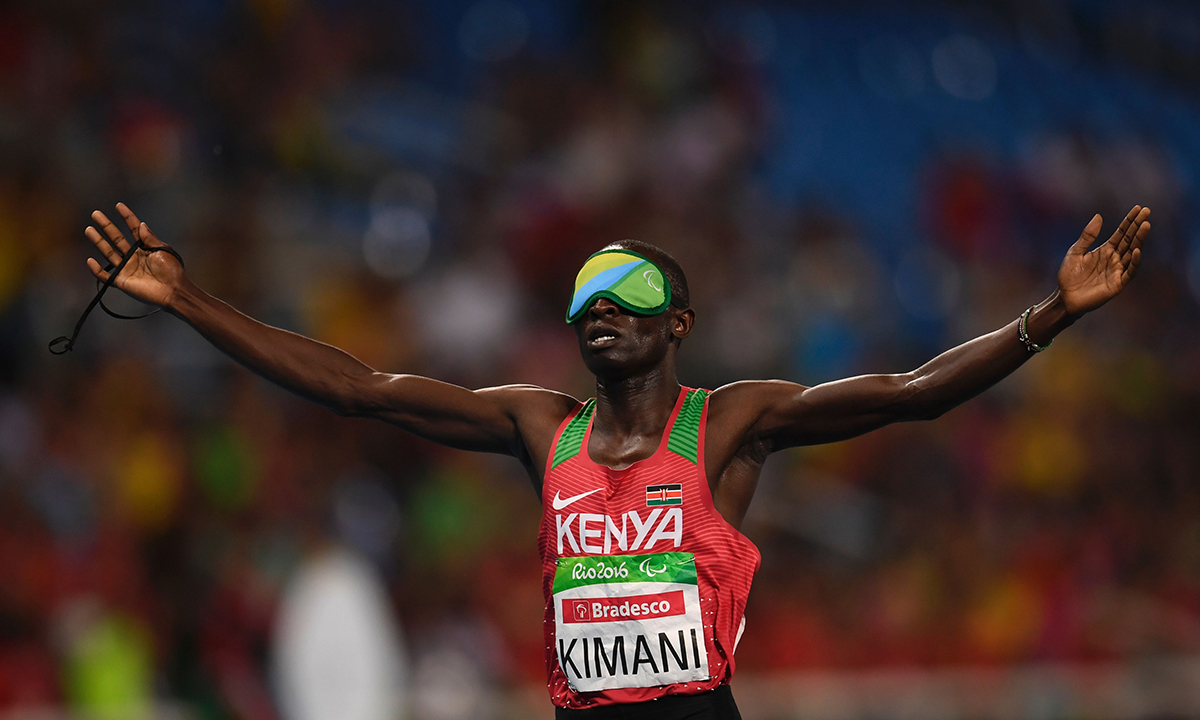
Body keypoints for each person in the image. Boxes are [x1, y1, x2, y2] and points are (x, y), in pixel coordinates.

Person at [79, 202, 1150, 719]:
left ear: (677, 323)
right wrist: (188, 302)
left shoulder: (731, 424)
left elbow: (914, 397)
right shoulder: (537, 426)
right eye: (585, 303)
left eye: (627, 301)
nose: (600, 317)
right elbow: (356, 388)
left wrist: (1051, 311)